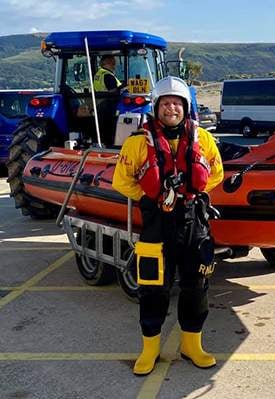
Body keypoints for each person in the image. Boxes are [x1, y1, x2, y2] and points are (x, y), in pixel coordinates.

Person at [112, 76, 224, 376]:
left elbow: (217, 173)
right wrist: (152, 198)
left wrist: (192, 194)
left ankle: (192, 345)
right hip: (156, 225)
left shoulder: (204, 140)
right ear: (156, 107)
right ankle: (149, 350)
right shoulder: (137, 143)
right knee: (152, 290)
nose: (171, 108)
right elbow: (121, 181)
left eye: (177, 103)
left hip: (193, 223)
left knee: (196, 286)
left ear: (185, 108)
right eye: (165, 103)